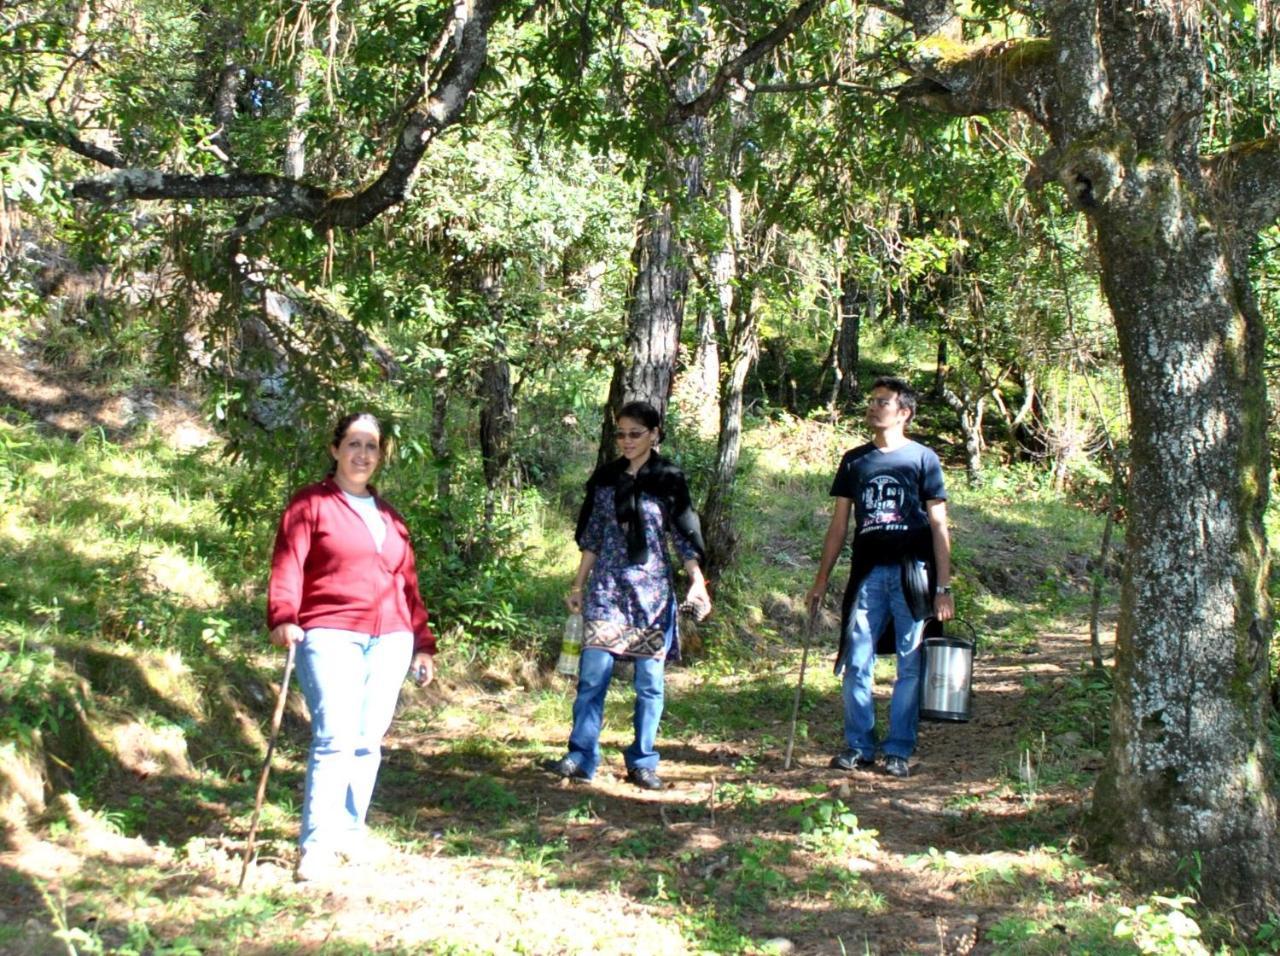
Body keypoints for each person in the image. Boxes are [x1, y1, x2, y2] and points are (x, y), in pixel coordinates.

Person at [267, 412, 436, 882]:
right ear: (335, 448)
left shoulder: (391, 518)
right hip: (329, 631)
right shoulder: (311, 504)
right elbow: (288, 564)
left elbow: (408, 585)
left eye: (372, 446)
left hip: (391, 638)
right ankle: (317, 845)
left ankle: (348, 830)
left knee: (367, 741)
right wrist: (283, 617)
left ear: (380, 456)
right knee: (334, 737)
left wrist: (423, 643)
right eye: (354, 444)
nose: (363, 454)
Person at [550, 401, 711, 791]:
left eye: (634, 433)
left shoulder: (669, 478)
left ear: (655, 434)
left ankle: (642, 759)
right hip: (607, 589)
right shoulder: (606, 479)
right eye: (620, 433)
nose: (626, 441)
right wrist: (577, 585)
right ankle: (581, 755)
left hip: (651, 595)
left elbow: (682, 536)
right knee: (592, 676)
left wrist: (697, 580)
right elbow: (593, 536)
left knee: (650, 683)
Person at [805, 377, 953, 780]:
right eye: (871, 401)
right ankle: (859, 745)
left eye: (882, 402)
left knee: (910, 663)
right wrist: (821, 580)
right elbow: (838, 525)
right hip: (866, 574)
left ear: (903, 412)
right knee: (857, 661)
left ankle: (899, 749)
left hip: (914, 576)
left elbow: (939, 525)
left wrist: (944, 586)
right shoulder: (855, 460)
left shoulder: (923, 458)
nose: (873, 407)